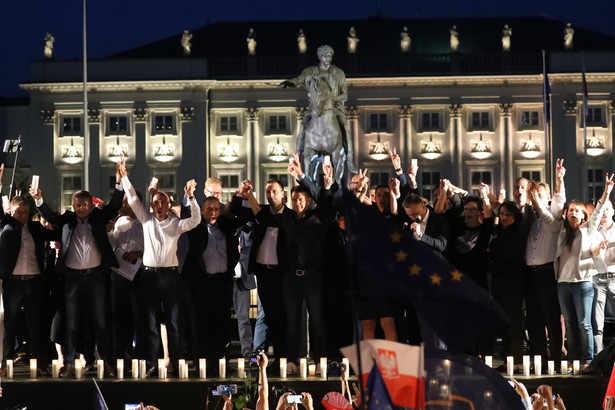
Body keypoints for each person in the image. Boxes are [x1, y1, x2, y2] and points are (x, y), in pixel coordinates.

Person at [33, 164, 124, 377]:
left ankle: (108, 362)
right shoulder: (67, 220)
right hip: (73, 278)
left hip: (96, 278)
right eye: (77, 204)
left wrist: (119, 182)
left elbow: (114, 206)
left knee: (100, 321)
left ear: (91, 205)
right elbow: (50, 217)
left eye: (84, 204)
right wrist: (39, 200)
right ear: (73, 205)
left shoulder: (99, 218)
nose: (81, 208)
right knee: (71, 322)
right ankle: (70, 363)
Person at [245, 160, 335, 372]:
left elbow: (327, 205)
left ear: (308, 200)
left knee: (317, 321)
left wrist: (317, 181)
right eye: (294, 199)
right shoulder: (287, 219)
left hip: (313, 277)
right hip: (291, 278)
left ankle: (321, 359)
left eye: (300, 199)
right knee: (292, 321)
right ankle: (292, 361)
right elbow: (261, 216)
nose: (297, 203)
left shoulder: (317, 218)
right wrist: (250, 195)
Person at [117, 155, 201, 376]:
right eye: (156, 203)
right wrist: (124, 176)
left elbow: (195, 221)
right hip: (149, 277)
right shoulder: (146, 220)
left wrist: (191, 198)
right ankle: (154, 363)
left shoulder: (174, 224)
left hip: (171, 277)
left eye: (163, 202)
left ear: (168, 204)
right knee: (151, 323)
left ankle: (173, 362)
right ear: (152, 206)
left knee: (173, 323)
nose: (159, 205)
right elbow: (134, 199)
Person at [554, 175, 611, 373]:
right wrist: (560, 181)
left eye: (577, 211)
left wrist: (606, 192)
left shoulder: (588, 230)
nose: (573, 213)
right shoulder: (562, 232)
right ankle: (573, 360)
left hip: (583, 284)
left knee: (584, 324)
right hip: (563, 284)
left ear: (583, 216)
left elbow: (597, 213)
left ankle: (589, 360)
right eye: (570, 211)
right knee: (570, 324)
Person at [0, 195, 60, 376]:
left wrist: (42, 206)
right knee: (10, 325)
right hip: (13, 282)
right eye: (20, 212)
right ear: (12, 211)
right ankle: (6, 363)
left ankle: (40, 363)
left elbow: (56, 232)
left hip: (34, 281)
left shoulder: (34, 227)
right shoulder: (6, 224)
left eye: (26, 213)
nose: (23, 216)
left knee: (36, 325)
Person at [279, 45, 356, 183]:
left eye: (330, 56)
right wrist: (289, 83)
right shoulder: (311, 72)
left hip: (334, 108)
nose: (328, 59)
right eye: (325, 56)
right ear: (319, 57)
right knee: (303, 126)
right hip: (315, 108)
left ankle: (350, 159)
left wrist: (332, 99)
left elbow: (344, 95)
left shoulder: (339, 73)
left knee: (344, 127)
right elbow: (299, 80)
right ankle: (300, 153)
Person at [183, 195, 243, 370]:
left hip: (222, 282)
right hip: (203, 283)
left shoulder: (225, 227)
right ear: (202, 210)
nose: (213, 213)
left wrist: (239, 196)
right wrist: (190, 197)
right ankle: (202, 362)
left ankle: (221, 361)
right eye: (209, 209)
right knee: (202, 323)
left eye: (216, 209)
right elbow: (186, 214)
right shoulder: (197, 228)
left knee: (222, 323)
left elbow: (239, 216)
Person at [524, 160, 566, 368]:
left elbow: (559, 201)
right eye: (534, 195)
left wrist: (559, 179)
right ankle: (539, 359)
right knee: (534, 319)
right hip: (530, 274)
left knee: (551, 317)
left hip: (547, 273)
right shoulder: (532, 217)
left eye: (539, 195)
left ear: (547, 198)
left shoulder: (552, 217)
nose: (535, 198)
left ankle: (556, 358)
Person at [108, 191, 144, 363]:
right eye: (123, 201)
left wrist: (140, 253)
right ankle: (121, 352)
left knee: (139, 314)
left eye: (128, 201)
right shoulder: (120, 222)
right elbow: (113, 244)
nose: (125, 205)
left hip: (139, 273)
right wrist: (108, 233)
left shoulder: (145, 221)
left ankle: (140, 354)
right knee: (119, 315)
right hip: (120, 274)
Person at [489, 200, 526, 369]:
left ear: (515, 216)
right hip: (499, 282)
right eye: (501, 214)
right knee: (503, 323)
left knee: (513, 323)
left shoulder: (518, 234)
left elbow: (515, 259)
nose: (504, 217)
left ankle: (516, 361)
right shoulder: (499, 233)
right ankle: (507, 361)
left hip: (513, 283)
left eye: (507, 214)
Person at [591, 197, 615, 355]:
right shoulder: (593, 230)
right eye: (602, 209)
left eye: (608, 209)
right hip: (598, 277)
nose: (604, 212)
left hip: (614, 275)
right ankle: (599, 357)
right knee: (597, 321)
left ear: (613, 211)